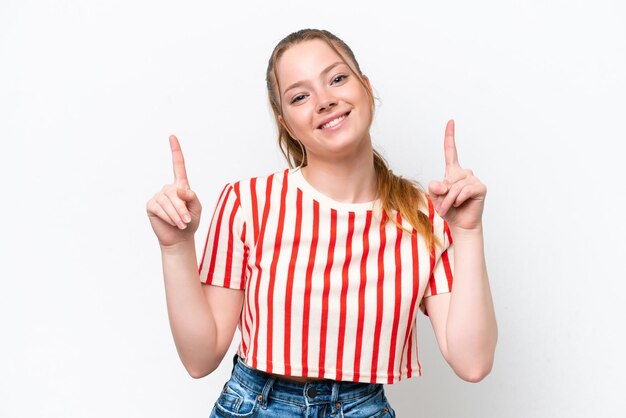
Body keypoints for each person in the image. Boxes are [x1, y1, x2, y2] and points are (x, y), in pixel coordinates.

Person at [146, 28, 497, 417]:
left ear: (365, 86)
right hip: (257, 405)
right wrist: (175, 248)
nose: (325, 100)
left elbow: (473, 363)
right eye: (300, 96)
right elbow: (200, 358)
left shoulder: (424, 218)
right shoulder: (248, 204)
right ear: (286, 122)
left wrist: (467, 232)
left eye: (337, 78)